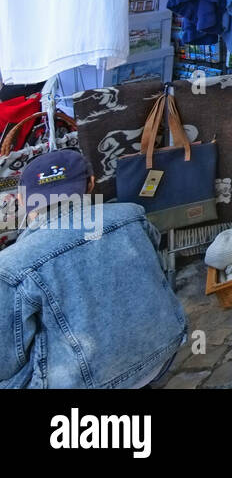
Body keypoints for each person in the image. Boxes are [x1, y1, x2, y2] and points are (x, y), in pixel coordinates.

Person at [0, 148, 188, 387]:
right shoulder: (132, 215)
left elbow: (6, 361)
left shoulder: (12, 265)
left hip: (92, 381)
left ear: (21, 200)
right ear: (90, 184)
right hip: (163, 352)